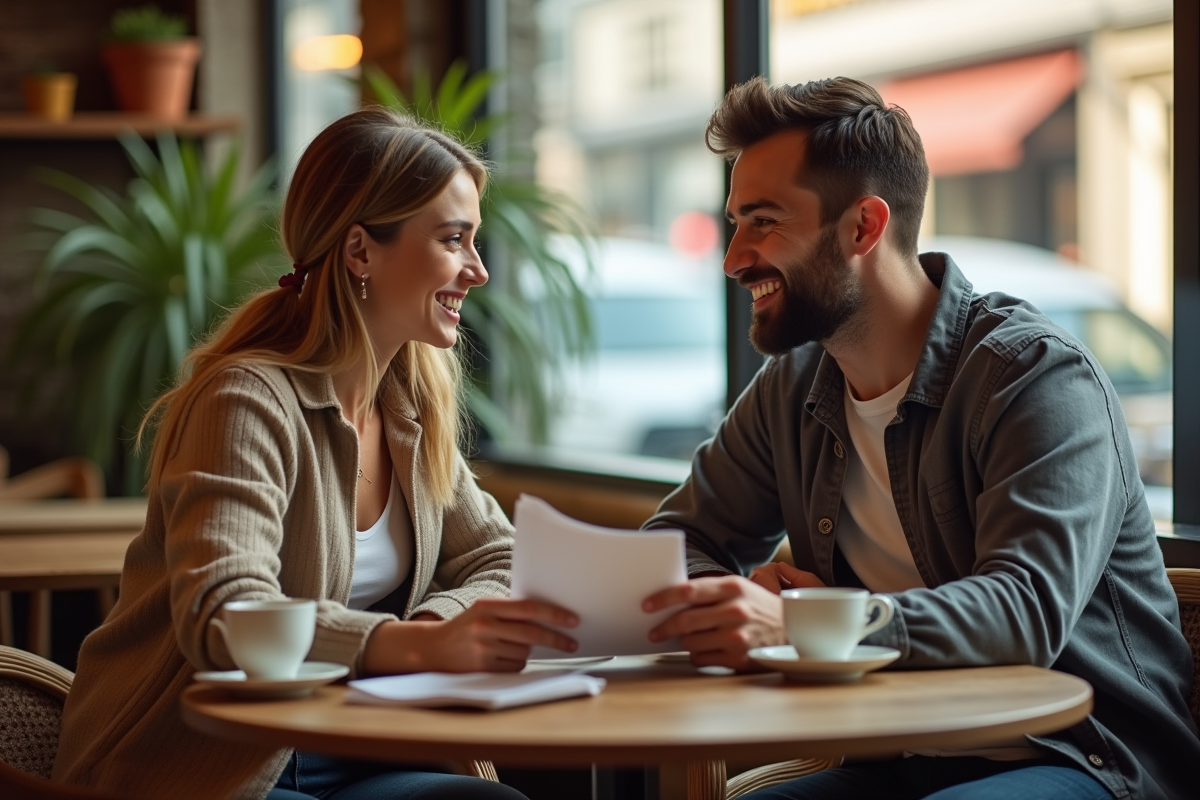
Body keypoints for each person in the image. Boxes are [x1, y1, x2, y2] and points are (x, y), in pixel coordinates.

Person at [639, 77, 1200, 800]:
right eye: (735, 223)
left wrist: (808, 622)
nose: (733, 258)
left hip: (1078, 760)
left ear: (864, 228)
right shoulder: (795, 384)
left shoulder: (1033, 378)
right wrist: (733, 604)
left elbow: (1023, 609)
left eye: (764, 222)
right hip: (891, 759)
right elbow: (679, 543)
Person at [52, 107, 579, 800]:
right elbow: (226, 614)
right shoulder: (245, 401)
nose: (478, 271)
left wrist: (433, 623)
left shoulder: (407, 406)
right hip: (204, 767)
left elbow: (502, 558)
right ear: (360, 251)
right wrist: (411, 649)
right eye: (455, 240)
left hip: (350, 745)